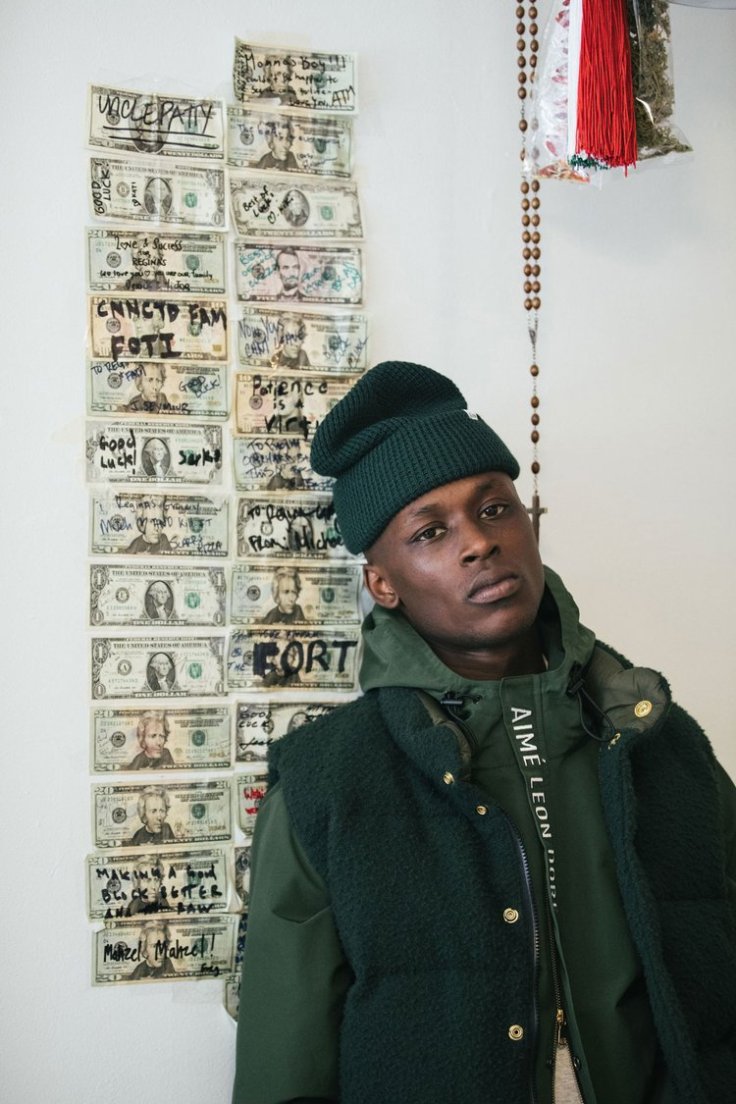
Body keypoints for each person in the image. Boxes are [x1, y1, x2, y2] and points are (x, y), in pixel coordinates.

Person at [233, 361, 736, 1104]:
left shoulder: (660, 741)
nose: (479, 543)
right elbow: (284, 1067)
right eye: (431, 531)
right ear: (383, 583)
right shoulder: (326, 785)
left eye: (496, 508)